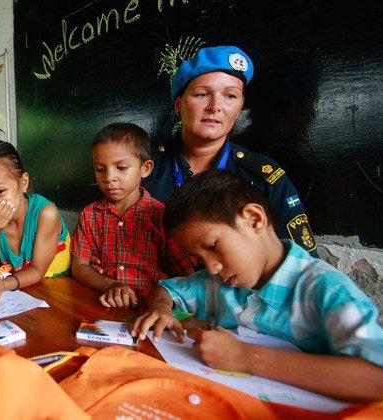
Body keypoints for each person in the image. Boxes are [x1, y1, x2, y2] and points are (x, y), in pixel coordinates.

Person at [131, 170, 383, 402]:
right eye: (199, 259)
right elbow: (166, 289)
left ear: (253, 219)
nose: (211, 267)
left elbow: (375, 379)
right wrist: (161, 308)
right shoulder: (216, 285)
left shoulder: (325, 289)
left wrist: (246, 357)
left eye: (211, 247)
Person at [143, 45, 318, 255]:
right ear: (179, 105)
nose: (215, 106)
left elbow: (302, 264)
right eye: (201, 94)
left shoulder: (262, 177)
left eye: (230, 96)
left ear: (240, 106)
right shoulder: (144, 168)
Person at [71, 123, 194, 308]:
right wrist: (110, 285)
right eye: (100, 169)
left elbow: (187, 275)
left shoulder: (161, 216)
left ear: (145, 169)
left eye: (121, 167)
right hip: (105, 308)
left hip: (152, 311)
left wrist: (165, 306)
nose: (109, 177)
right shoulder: (90, 215)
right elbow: (79, 267)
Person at [0, 141, 71, 310]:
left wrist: (2, 285)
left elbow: (37, 270)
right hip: (25, 297)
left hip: (61, 296)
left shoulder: (46, 214)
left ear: (23, 182)